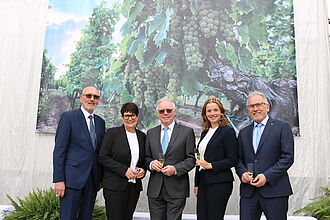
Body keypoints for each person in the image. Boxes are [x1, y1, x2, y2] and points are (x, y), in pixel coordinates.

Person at [235, 91, 294, 220]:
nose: (255, 109)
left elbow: (287, 158)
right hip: (248, 192)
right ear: (247, 110)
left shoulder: (282, 128)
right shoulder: (243, 133)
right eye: (251, 106)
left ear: (267, 107)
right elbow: (238, 160)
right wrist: (243, 173)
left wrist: (266, 176)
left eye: (258, 105)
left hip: (275, 191)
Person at [53, 86, 106, 220]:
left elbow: (99, 152)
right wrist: (59, 180)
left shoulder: (100, 122)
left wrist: (100, 179)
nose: (92, 99)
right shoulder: (69, 117)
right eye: (88, 96)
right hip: (71, 180)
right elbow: (59, 150)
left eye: (95, 97)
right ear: (81, 98)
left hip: (92, 181)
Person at [145, 98, 196, 220]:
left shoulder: (187, 132)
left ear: (174, 111)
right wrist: (151, 164)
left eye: (168, 110)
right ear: (157, 113)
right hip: (155, 190)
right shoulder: (150, 133)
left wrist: (175, 169)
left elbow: (191, 159)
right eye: (162, 111)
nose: (165, 113)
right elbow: (145, 158)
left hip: (177, 189)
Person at [99, 102, 146, 220]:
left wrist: (143, 170)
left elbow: (143, 159)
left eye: (133, 115)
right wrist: (124, 170)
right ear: (122, 117)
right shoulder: (112, 133)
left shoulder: (142, 136)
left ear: (137, 116)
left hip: (133, 186)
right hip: (115, 186)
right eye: (126, 115)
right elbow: (103, 157)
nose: (130, 119)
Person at [194, 96, 239, 220]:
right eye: (209, 111)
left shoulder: (227, 132)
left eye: (215, 110)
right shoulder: (204, 133)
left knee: (215, 217)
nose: (212, 113)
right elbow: (200, 160)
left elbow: (233, 158)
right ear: (204, 114)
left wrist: (211, 165)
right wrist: (196, 184)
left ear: (221, 112)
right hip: (203, 182)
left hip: (220, 182)